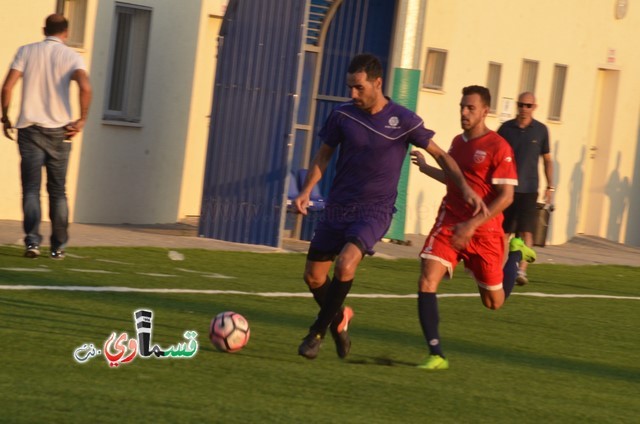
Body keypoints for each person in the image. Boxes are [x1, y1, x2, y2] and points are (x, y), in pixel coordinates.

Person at [294, 54, 487, 360]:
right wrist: (306, 191)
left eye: (358, 88)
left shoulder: (404, 120)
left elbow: (440, 155)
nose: (352, 94)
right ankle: (339, 318)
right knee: (314, 277)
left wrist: (464, 188)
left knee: (345, 263)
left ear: (377, 83)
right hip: (338, 207)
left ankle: (317, 332)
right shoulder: (342, 115)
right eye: (350, 88)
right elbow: (324, 155)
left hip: (374, 211)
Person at [410, 85, 536, 370]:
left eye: (470, 108)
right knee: (427, 279)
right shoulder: (457, 142)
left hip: (485, 231)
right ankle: (436, 353)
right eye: (462, 107)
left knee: (493, 303)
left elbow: (506, 197)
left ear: (484, 111)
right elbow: (455, 180)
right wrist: (426, 168)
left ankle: (515, 253)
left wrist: (473, 224)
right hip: (451, 221)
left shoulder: (498, 146)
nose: (464, 113)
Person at [2, 14, 92, 260]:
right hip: (60, 131)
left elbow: (7, 87)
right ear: (66, 32)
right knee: (58, 190)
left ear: (44, 29)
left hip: (29, 128)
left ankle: (32, 242)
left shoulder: (26, 51)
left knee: (30, 189)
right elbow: (85, 87)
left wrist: (5, 117)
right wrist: (81, 120)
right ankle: (58, 246)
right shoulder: (73, 56)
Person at [497, 92, 553, 285]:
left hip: (529, 189)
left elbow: (547, 160)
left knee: (526, 232)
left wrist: (550, 186)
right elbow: (494, 154)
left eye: (528, 105)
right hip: (507, 188)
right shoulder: (506, 129)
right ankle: (497, 268)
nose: (524, 108)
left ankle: (521, 271)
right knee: (503, 232)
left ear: (534, 107)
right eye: (521, 104)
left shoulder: (541, 130)